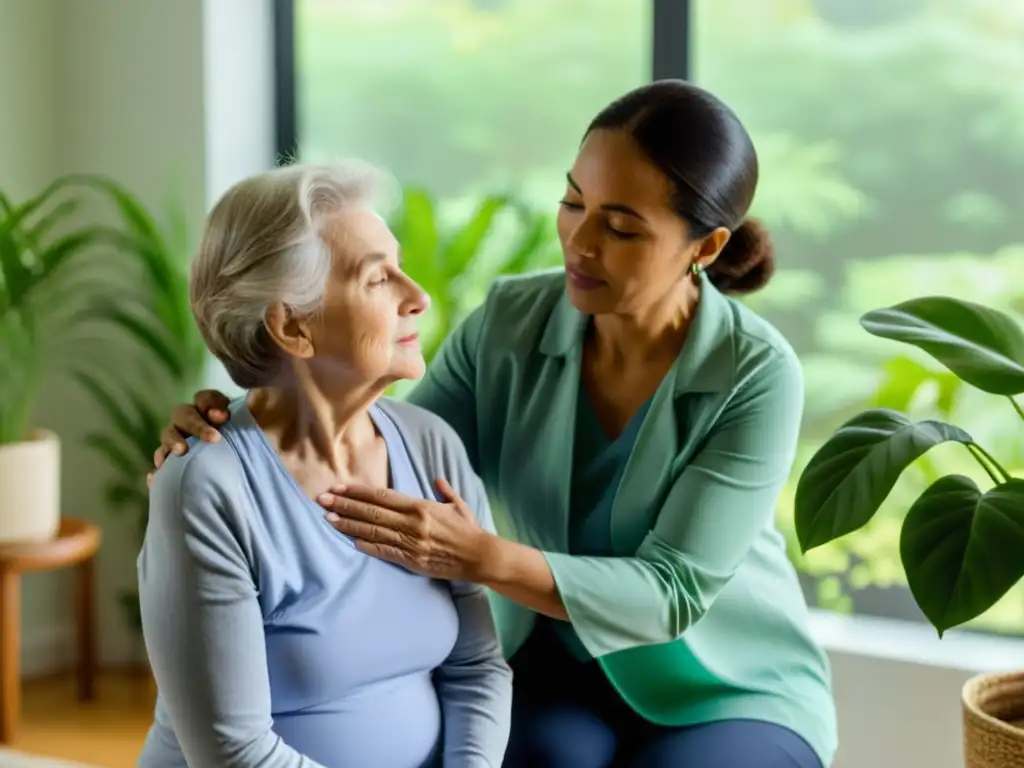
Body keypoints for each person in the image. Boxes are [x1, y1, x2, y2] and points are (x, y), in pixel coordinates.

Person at [153, 80, 837, 768]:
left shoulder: (756, 373)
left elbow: (675, 590)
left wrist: (478, 556)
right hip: (554, 670)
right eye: (574, 202)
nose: (579, 241)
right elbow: (376, 452)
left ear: (706, 246)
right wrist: (236, 420)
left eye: (622, 227)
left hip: (720, 684)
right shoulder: (512, 321)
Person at [139, 161, 512, 768]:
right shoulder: (209, 487)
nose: (416, 297)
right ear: (291, 326)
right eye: (377, 279)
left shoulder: (431, 445)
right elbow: (234, 753)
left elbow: (477, 666)